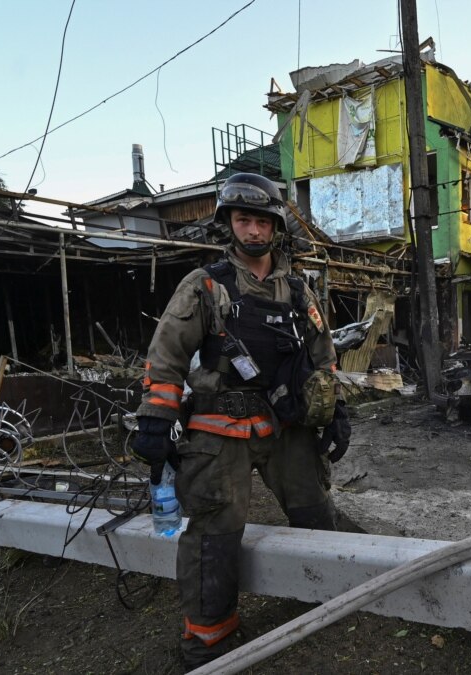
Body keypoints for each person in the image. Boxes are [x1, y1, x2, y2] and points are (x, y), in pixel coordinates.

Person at [129, 173, 351, 669]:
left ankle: (328, 598)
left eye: (261, 221)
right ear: (229, 224)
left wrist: (336, 411)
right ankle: (208, 639)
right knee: (214, 535)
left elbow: (323, 358)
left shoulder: (298, 291)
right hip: (217, 429)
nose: (252, 230)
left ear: (276, 228)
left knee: (317, 515)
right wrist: (156, 418)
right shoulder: (205, 286)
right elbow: (165, 357)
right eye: (243, 220)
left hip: (287, 426)